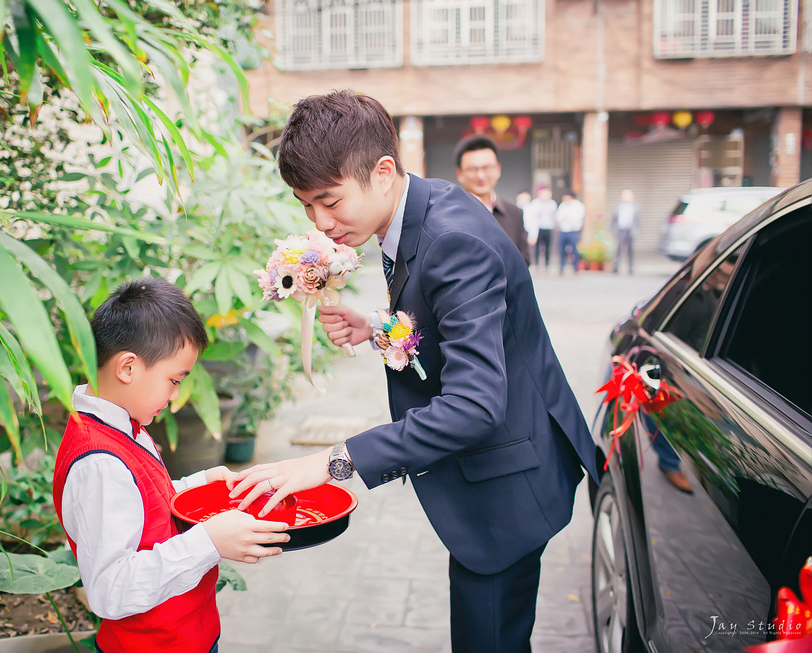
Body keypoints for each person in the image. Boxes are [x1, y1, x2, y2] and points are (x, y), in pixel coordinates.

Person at [229, 91, 598, 653]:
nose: (320, 223)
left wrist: (332, 461)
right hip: (504, 461)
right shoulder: (420, 206)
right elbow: (450, 317)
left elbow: (475, 406)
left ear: (381, 172)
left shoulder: (451, 239)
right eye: (306, 206)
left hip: (508, 484)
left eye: (329, 201)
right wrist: (376, 324)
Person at [52, 278, 290, 653]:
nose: (176, 394)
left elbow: (143, 503)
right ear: (127, 367)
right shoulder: (99, 463)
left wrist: (201, 483)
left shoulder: (124, 422)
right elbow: (110, 589)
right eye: (173, 380)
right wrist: (209, 541)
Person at [453, 134, 531, 265]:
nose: (481, 175)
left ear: (498, 169)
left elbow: (524, 261)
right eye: (473, 169)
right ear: (460, 173)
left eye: (487, 168)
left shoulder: (514, 213)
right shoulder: (449, 214)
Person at [556, 190, 585, 275]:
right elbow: (558, 217)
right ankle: (561, 269)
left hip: (574, 231)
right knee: (561, 250)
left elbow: (577, 218)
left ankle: (576, 269)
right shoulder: (562, 205)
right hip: (563, 230)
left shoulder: (578, 206)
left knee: (575, 251)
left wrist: (566, 217)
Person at [612, 189, 640, 274]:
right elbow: (613, 220)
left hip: (630, 230)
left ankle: (631, 268)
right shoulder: (618, 206)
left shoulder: (635, 207)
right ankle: (616, 267)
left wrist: (637, 231)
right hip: (620, 230)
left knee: (630, 250)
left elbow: (638, 220)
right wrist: (612, 230)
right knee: (618, 249)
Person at [530, 186, 557, 270]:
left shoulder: (552, 203)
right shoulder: (535, 203)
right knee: (537, 247)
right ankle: (537, 264)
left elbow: (554, 216)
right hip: (538, 227)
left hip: (548, 227)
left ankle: (547, 264)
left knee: (548, 247)